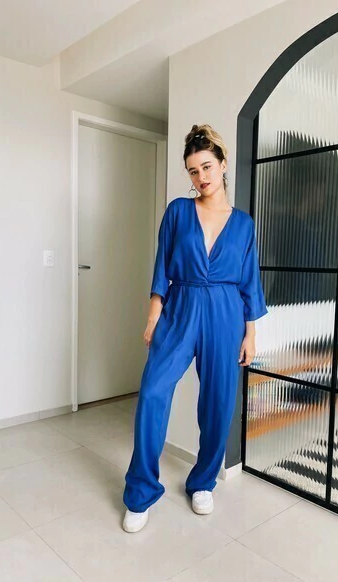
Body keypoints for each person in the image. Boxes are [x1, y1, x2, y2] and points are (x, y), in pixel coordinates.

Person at [122, 124, 268, 533]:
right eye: (192, 170)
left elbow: (249, 281)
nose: (201, 176)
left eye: (206, 166)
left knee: (219, 402)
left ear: (222, 164)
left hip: (225, 312)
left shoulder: (243, 224)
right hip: (181, 306)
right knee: (153, 392)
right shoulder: (178, 212)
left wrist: (251, 333)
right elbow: (162, 267)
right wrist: (153, 316)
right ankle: (140, 493)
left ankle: (203, 482)